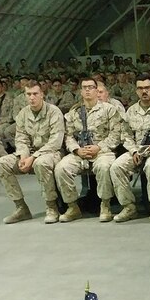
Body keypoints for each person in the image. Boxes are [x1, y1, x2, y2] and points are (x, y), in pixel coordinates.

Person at [0, 83, 65, 224]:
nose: (32, 97)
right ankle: (21, 208)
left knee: (41, 163)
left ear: (42, 94)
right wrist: (23, 156)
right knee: (1, 163)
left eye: (35, 94)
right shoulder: (23, 114)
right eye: (28, 94)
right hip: (29, 154)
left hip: (52, 153)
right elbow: (21, 138)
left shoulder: (53, 111)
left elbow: (55, 142)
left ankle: (51, 206)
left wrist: (33, 157)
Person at [54, 78, 120, 223]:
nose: (88, 90)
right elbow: (68, 136)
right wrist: (76, 150)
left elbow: (116, 134)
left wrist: (99, 147)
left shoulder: (109, 110)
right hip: (80, 152)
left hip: (102, 151)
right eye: (84, 87)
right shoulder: (74, 112)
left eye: (91, 87)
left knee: (104, 166)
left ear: (97, 91)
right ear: (81, 91)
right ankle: (72, 206)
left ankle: (105, 205)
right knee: (61, 168)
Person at [110, 74, 150, 223]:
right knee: (116, 167)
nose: (144, 91)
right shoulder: (130, 111)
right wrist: (133, 151)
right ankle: (129, 207)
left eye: (147, 88)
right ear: (136, 91)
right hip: (137, 151)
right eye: (140, 88)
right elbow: (126, 135)